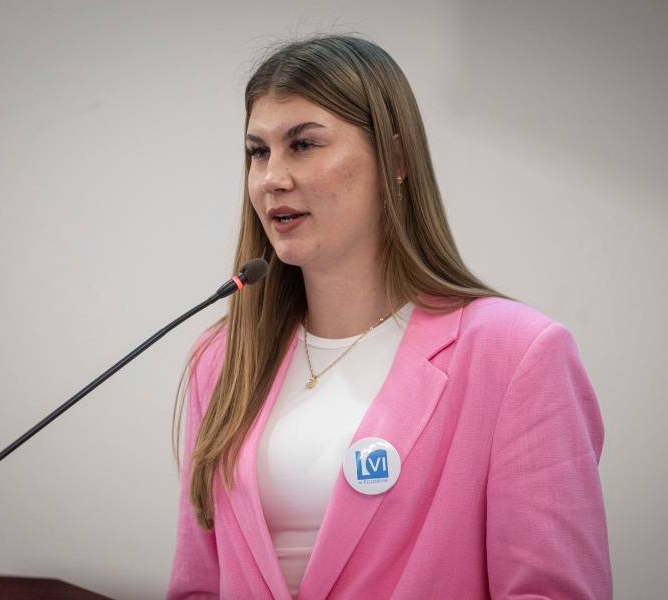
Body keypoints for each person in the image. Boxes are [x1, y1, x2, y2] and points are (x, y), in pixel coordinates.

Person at [168, 35, 612, 600]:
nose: (271, 178)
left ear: (395, 160)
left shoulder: (516, 352)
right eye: (258, 151)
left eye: (303, 144)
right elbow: (198, 587)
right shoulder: (223, 359)